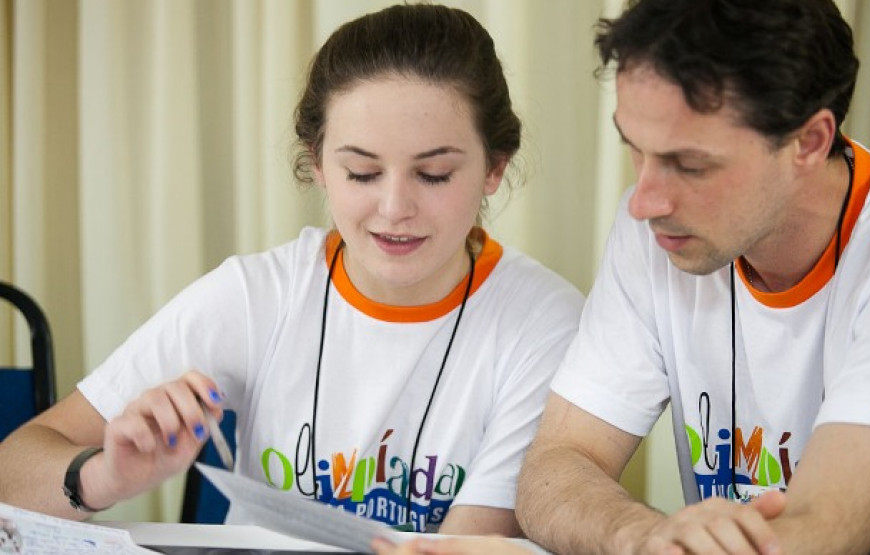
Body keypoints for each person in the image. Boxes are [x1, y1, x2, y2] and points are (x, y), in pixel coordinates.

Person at [0, 4, 584, 537]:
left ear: (494, 168)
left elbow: (466, 545)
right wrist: (104, 476)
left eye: (433, 175)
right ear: (319, 166)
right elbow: (14, 468)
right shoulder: (258, 294)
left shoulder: (543, 322)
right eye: (361, 173)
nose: (394, 208)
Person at [511, 0, 870, 553]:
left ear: (809, 142)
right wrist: (643, 534)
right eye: (635, 148)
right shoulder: (656, 230)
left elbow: (816, 535)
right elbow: (555, 467)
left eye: (691, 165)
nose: (644, 202)